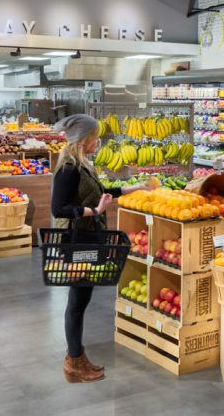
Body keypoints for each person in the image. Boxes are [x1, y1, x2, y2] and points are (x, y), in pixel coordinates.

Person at [50, 114, 155, 383]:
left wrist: (136, 188)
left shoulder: (84, 165)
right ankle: (74, 362)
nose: (99, 141)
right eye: (95, 137)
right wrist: (94, 211)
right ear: (85, 140)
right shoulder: (69, 168)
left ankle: (77, 357)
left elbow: (102, 190)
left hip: (85, 238)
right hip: (75, 240)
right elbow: (58, 208)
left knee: (81, 299)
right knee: (77, 301)